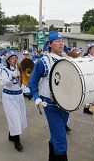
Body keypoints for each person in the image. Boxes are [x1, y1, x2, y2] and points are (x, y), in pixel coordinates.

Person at [28, 31, 69, 161]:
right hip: (50, 103)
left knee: (57, 134)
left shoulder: (66, 60)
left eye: (62, 40)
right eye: (57, 41)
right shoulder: (43, 62)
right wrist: (36, 97)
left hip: (65, 103)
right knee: (61, 139)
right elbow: (32, 82)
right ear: (50, 44)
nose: (61, 43)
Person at [1, 52, 27, 152]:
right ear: (8, 60)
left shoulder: (19, 69)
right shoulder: (4, 69)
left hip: (19, 95)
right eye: (12, 58)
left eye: (15, 58)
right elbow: (5, 82)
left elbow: (24, 81)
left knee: (19, 117)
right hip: (9, 96)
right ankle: (17, 141)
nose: (14, 59)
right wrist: (12, 76)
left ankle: (11, 135)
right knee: (14, 117)